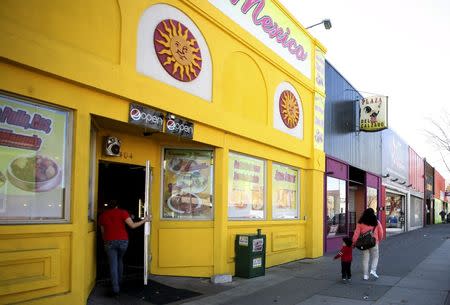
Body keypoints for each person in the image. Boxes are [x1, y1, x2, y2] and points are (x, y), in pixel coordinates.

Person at [99, 200, 150, 296]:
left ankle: (115, 288)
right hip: (123, 241)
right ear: (117, 206)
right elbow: (133, 226)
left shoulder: (102, 216)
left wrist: (105, 242)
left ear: (108, 207)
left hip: (109, 241)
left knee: (113, 264)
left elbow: (102, 232)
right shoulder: (123, 212)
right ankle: (120, 281)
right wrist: (145, 220)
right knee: (120, 259)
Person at [352, 208, 383, 280]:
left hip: (364, 243)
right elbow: (381, 233)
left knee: (365, 259)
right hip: (374, 242)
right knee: (375, 257)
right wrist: (379, 240)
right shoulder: (376, 222)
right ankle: (373, 270)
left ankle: (365, 275)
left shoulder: (360, 223)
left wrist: (353, 242)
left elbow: (356, 234)